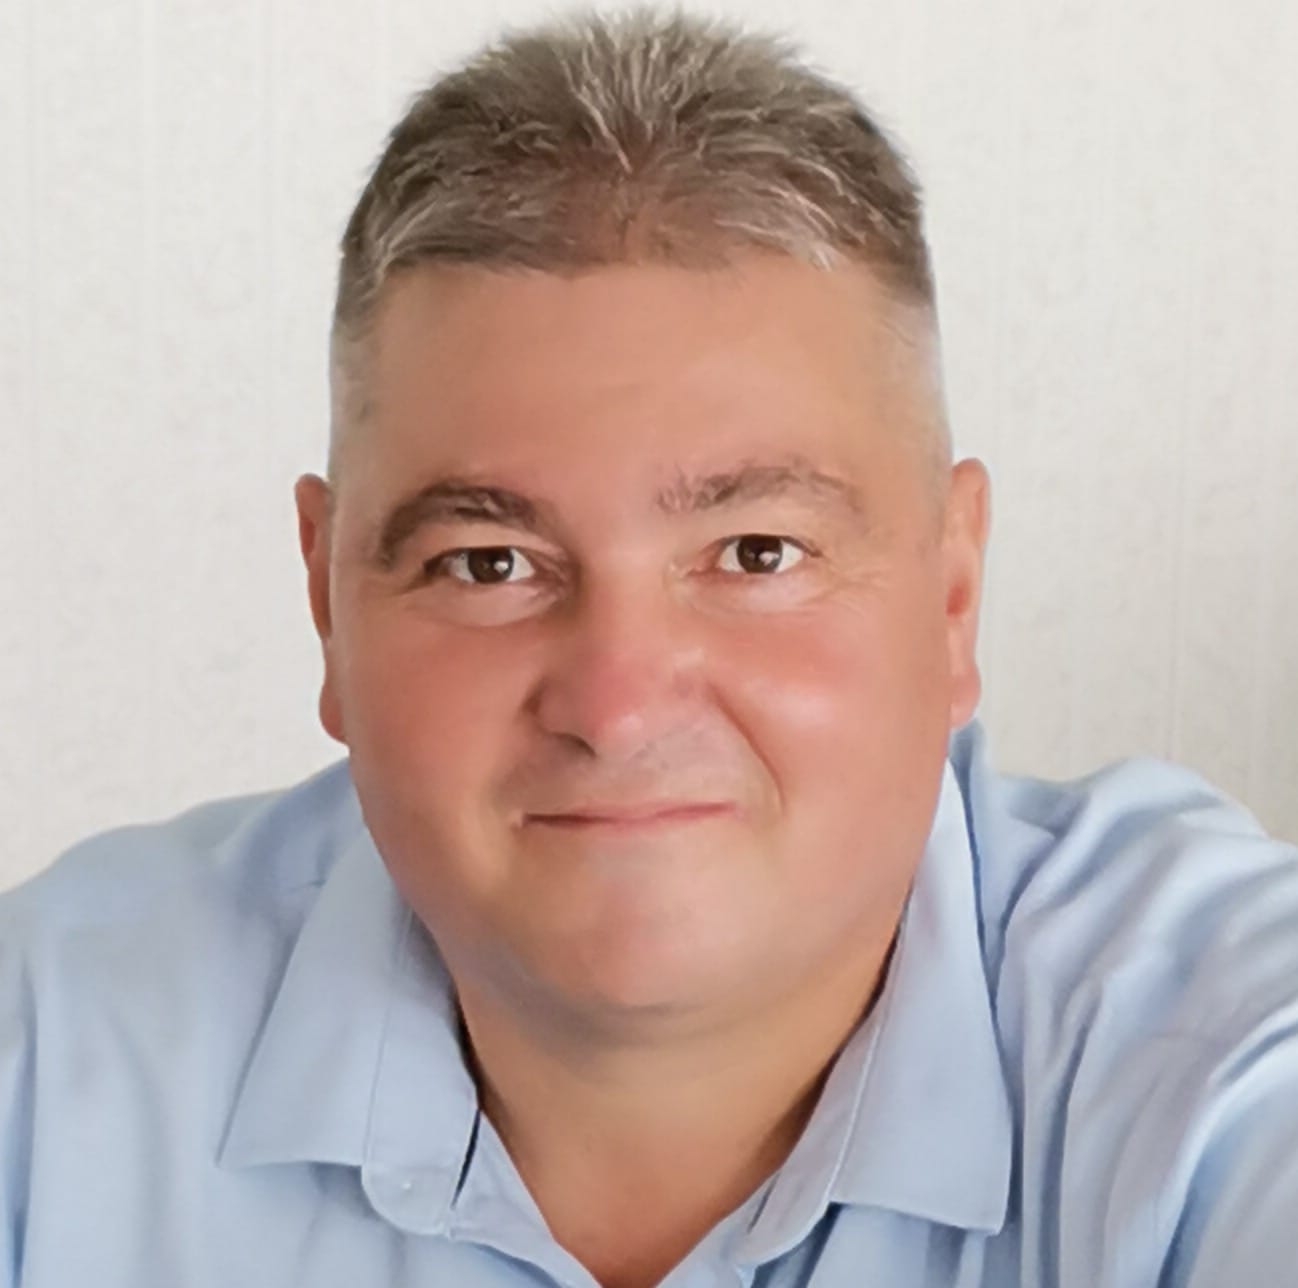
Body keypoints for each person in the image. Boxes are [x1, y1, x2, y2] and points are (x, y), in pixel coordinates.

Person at [3, 8, 1297, 1286]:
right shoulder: (46, 1060)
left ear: (951, 597)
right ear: (327, 602)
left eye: (756, 553)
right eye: (489, 563)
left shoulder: (1221, 1063)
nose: (616, 708)